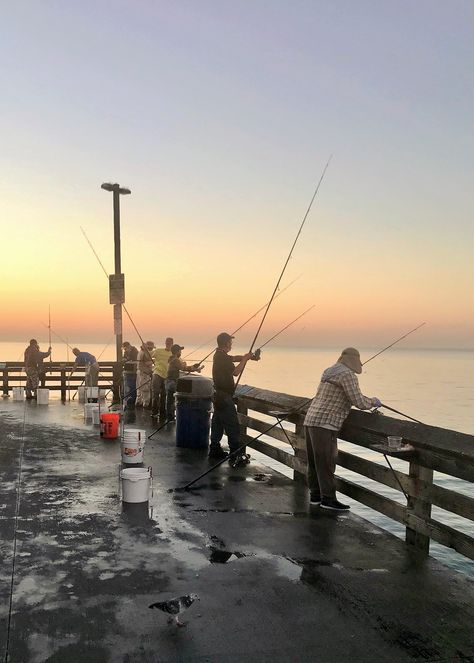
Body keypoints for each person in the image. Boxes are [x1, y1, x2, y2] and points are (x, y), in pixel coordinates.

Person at [304, 347, 382, 511]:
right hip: (325, 423)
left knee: (314, 462)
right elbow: (358, 401)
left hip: (311, 419)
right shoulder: (348, 375)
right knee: (326, 462)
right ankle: (328, 499)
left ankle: (315, 496)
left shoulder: (329, 371)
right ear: (355, 361)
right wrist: (373, 402)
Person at [209, 332, 260, 466]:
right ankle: (235, 455)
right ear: (226, 343)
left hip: (218, 396)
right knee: (232, 426)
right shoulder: (222, 357)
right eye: (230, 342)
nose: (231, 344)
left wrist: (247, 357)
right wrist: (244, 360)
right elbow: (236, 372)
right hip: (224, 397)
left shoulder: (219, 355)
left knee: (218, 424)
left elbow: (233, 358)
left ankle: (214, 449)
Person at [165, 344, 202, 421]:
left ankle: (170, 416)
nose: (181, 352)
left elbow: (182, 367)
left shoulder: (170, 358)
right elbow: (183, 368)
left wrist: (194, 367)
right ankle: (183, 413)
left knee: (170, 400)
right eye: (180, 351)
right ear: (177, 351)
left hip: (168, 382)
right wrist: (194, 367)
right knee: (185, 393)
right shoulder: (175, 360)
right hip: (172, 382)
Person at [151, 337, 173, 421]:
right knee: (155, 394)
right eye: (167, 342)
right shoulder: (158, 351)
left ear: (172, 343)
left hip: (166, 376)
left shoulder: (173, 354)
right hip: (157, 374)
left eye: (170, 342)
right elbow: (149, 355)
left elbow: (180, 363)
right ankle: (154, 412)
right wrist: (144, 348)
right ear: (165, 343)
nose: (168, 343)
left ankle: (162, 413)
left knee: (164, 395)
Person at [136, 341, 155, 409]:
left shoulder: (140, 352)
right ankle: (146, 404)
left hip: (139, 372)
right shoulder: (144, 353)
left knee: (139, 389)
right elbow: (146, 363)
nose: (152, 350)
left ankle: (139, 402)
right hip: (144, 373)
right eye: (151, 348)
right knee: (145, 389)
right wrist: (154, 361)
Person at [122, 341, 139, 409]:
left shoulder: (134, 350)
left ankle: (132, 399)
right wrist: (124, 359)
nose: (125, 350)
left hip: (133, 370)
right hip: (127, 370)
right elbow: (124, 358)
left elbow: (135, 359)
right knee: (127, 387)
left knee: (132, 387)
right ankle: (127, 398)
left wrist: (128, 359)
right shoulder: (126, 351)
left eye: (125, 348)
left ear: (129, 346)